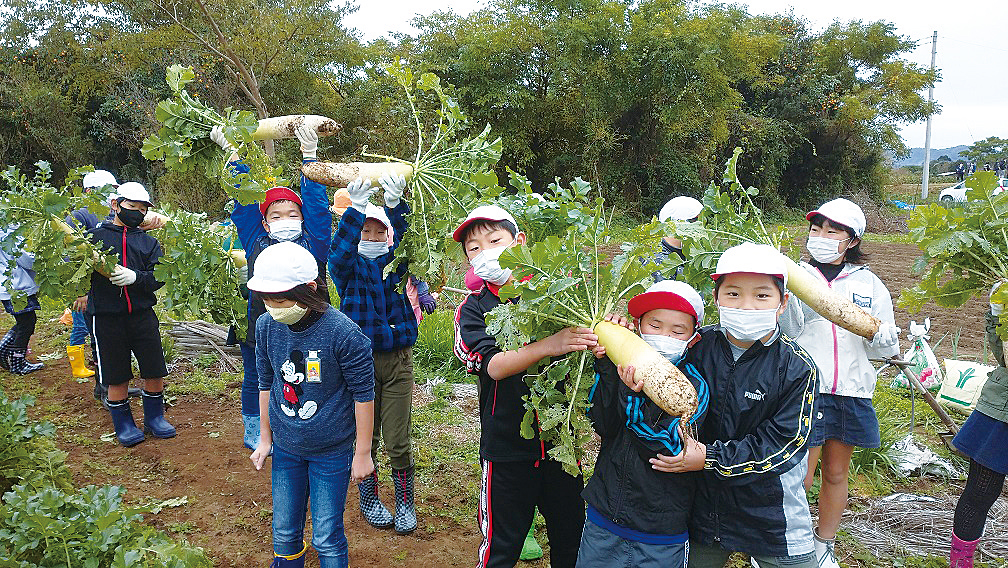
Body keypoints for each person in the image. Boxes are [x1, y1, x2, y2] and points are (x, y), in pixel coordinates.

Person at [644, 242, 819, 568]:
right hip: (705, 508)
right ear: (716, 298)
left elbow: (784, 444)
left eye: (762, 295)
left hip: (771, 511)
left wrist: (710, 458)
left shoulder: (797, 367)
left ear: (783, 303)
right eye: (734, 294)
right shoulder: (695, 347)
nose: (748, 306)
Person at [452, 204, 593, 568]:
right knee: (503, 544)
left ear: (520, 242)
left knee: (571, 537)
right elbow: (494, 366)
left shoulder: (558, 296)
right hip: (507, 448)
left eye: (495, 240)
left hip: (560, 443)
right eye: (474, 248)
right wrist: (552, 344)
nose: (486, 252)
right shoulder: (472, 309)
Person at [782, 198, 901, 568]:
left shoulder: (870, 285)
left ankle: (823, 545)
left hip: (851, 390)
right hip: (806, 391)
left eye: (832, 231)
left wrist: (885, 340)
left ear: (851, 240)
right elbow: (784, 331)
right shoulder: (796, 277)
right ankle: (786, 545)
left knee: (836, 473)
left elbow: (883, 346)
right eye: (817, 229)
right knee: (799, 475)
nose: (821, 236)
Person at [247, 242, 376, 568]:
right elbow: (266, 383)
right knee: (284, 530)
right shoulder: (265, 326)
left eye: (280, 299)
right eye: (265, 299)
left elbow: (364, 395)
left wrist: (362, 454)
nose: (273, 307)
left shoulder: (343, 334)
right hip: (287, 447)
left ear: (309, 289)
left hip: (331, 452)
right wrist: (265, 437)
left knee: (326, 535)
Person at [211, 124, 330, 452]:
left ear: (302, 220)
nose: (285, 218)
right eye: (276, 214)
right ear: (265, 222)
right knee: (259, 375)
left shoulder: (314, 243)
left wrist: (310, 159)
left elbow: (319, 209)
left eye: (293, 213)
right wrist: (233, 155)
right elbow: (244, 202)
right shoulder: (254, 239)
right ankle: (255, 425)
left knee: (310, 375)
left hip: (312, 326)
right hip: (261, 323)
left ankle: (307, 421)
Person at [578, 280, 710, 568]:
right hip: (605, 516)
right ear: (638, 328)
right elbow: (603, 425)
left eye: (677, 331)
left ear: (693, 339)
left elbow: (665, 449)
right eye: (654, 325)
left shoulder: (693, 388)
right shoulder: (619, 367)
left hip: (660, 531)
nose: (664, 336)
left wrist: (632, 395)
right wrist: (606, 366)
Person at [328, 174, 420, 535]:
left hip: (397, 361)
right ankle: (368, 498)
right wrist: (355, 210)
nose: (370, 238)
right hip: (359, 364)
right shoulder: (349, 271)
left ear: (387, 237)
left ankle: (405, 502)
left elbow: (413, 244)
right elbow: (337, 254)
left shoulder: (398, 266)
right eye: (364, 232)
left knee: (398, 437)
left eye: (377, 232)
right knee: (367, 435)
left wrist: (396, 205)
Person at [86, 182, 174, 447]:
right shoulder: (93, 239)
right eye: (131, 206)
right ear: (116, 205)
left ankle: (154, 419)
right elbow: (77, 271)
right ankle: (123, 424)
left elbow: (159, 277)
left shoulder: (148, 242)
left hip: (141, 314)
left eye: (142, 209)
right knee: (116, 374)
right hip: (106, 316)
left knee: (153, 368)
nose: (136, 212)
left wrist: (136, 277)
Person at [948, 282, 1008, 568]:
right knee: (981, 493)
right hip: (1002, 412)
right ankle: (961, 562)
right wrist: (998, 312)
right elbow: (1003, 355)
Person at [0, 225, 43, 375]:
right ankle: (17, 364)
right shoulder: (8, 234)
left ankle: (4, 350)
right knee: (27, 323)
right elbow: (26, 259)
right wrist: (42, 260)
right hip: (17, 287)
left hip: (7, 286)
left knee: (24, 321)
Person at [650, 196, 703, 282]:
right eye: (695, 220)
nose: (702, 227)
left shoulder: (694, 257)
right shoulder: (658, 263)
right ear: (676, 224)